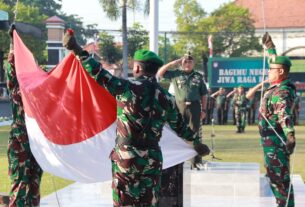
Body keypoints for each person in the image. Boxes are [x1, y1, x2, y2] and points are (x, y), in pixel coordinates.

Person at [63, 29, 210, 207]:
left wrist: (78, 50)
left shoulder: (126, 88)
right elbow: (180, 127)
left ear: (138, 68)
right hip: (152, 159)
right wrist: (196, 143)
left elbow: (98, 73)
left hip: (127, 158)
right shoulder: (166, 97)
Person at [246, 32, 296, 207]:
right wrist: (270, 47)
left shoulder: (282, 91)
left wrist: (290, 134)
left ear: (281, 72)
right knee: (275, 178)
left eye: (271, 70)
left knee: (280, 180)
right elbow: (274, 60)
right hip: (269, 141)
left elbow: (283, 113)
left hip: (275, 141)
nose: (268, 71)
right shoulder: (277, 84)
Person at [6, 25, 43, 207]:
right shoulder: (28, 91)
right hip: (30, 140)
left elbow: (12, 75)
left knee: (29, 186)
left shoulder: (33, 91)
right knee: (25, 186)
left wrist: (13, 49)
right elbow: (12, 76)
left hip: (29, 140)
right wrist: (14, 48)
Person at [156, 52, 208, 170]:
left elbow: (204, 95)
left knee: (194, 133)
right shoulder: (176, 74)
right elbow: (160, 73)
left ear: (193, 63)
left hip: (194, 107)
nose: (187, 64)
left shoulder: (198, 76)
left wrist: (204, 109)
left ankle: (196, 161)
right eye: (185, 61)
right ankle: (179, 161)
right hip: (179, 106)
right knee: (178, 133)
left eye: (190, 61)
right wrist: (173, 63)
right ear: (181, 62)